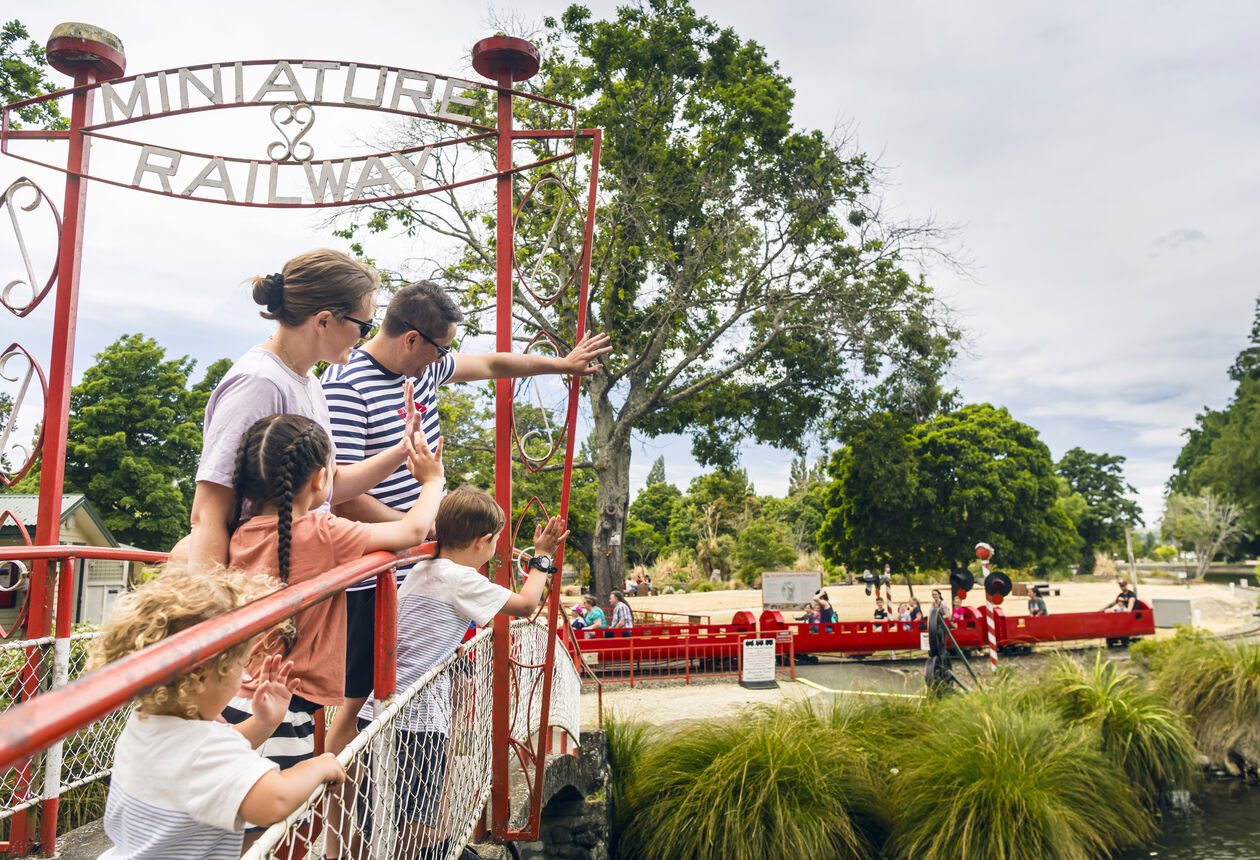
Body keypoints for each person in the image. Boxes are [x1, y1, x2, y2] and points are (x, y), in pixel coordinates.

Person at [319, 279, 610, 760]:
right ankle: (342, 829)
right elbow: (342, 497)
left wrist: (562, 364)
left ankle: (415, 819)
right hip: (377, 578)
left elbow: (493, 364)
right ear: (412, 339)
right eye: (441, 349)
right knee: (359, 709)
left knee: (427, 693)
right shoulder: (346, 388)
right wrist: (423, 526)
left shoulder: (424, 371)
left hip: (426, 570)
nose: (445, 359)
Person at [220, 413, 444, 794]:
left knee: (238, 819)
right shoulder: (321, 532)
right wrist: (433, 482)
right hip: (281, 710)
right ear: (320, 479)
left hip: (233, 697)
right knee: (274, 834)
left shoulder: (240, 532)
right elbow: (412, 531)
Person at [355, 488, 569, 860]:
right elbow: (527, 605)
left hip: (377, 713)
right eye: (496, 542)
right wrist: (543, 558)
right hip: (417, 722)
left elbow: (420, 627)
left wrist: (442, 647)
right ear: (484, 541)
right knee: (422, 823)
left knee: (377, 814)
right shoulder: (461, 578)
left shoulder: (421, 567)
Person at [89, 567, 345, 860]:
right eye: (241, 665)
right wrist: (318, 766)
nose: (246, 676)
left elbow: (198, 758)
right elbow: (275, 800)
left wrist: (264, 723)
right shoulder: (204, 749)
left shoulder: (144, 720)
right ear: (201, 678)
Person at [190, 250, 422, 568]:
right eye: (364, 327)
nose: (366, 338)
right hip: (257, 587)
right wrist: (215, 610)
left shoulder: (308, 380)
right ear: (323, 321)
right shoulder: (259, 382)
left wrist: (402, 450)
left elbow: (327, 486)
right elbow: (208, 514)